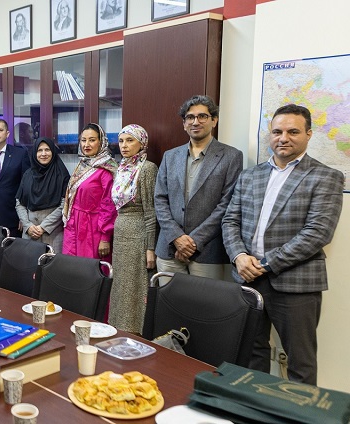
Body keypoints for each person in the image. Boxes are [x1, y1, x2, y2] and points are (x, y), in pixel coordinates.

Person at [222, 104, 344, 385]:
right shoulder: (250, 175)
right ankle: (255, 405)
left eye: (293, 132)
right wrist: (239, 256)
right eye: (277, 131)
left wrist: (265, 264)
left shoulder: (326, 176)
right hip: (247, 279)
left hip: (295, 282)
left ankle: (298, 409)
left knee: (300, 363)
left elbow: (318, 233)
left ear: (309, 134)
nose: (283, 138)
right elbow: (230, 221)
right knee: (251, 355)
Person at [155, 95, 243, 280]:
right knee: (169, 298)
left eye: (202, 116)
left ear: (214, 120)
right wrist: (176, 237)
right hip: (169, 247)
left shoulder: (231, 156)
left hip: (208, 251)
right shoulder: (170, 156)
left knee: (205, 299)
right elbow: (160, 199)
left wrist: (193, 241)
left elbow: (227, 205)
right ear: (184, 124)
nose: (196, 122)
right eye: (190, 117)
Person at [109, 124, 158, 333]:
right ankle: (118, 329)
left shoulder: (147, 168)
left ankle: (136, 333)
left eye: (130, 140)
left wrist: (150, 247)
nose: (124, 145)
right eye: (121, 141)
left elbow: (151, 211)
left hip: (138, 234)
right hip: (120, 233)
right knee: (120, 286)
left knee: (135, 287)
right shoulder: (120, 168)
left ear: (142, 143)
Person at [62, 123, 118, 262]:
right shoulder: (83, 164)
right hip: (74, 224)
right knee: (71, 267)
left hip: (93, 228)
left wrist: (105, 237)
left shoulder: (107, 169)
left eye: (92, 140)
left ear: (101, 142)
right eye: (83, 140)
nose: (86, 144)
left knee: (90, 268)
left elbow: (109, 206)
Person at [15, 138, 70, 252]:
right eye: (39, 150)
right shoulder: (28, 174)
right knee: (29, 263)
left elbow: (65, 205)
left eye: (47, 150)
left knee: (52, 263)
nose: (43, 154)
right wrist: (27, 225)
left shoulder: (62, 175)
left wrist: (43, 227)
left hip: (53, 235)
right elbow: (19, 203)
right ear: (35, 153)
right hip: (29, 233)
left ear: (53, 152)